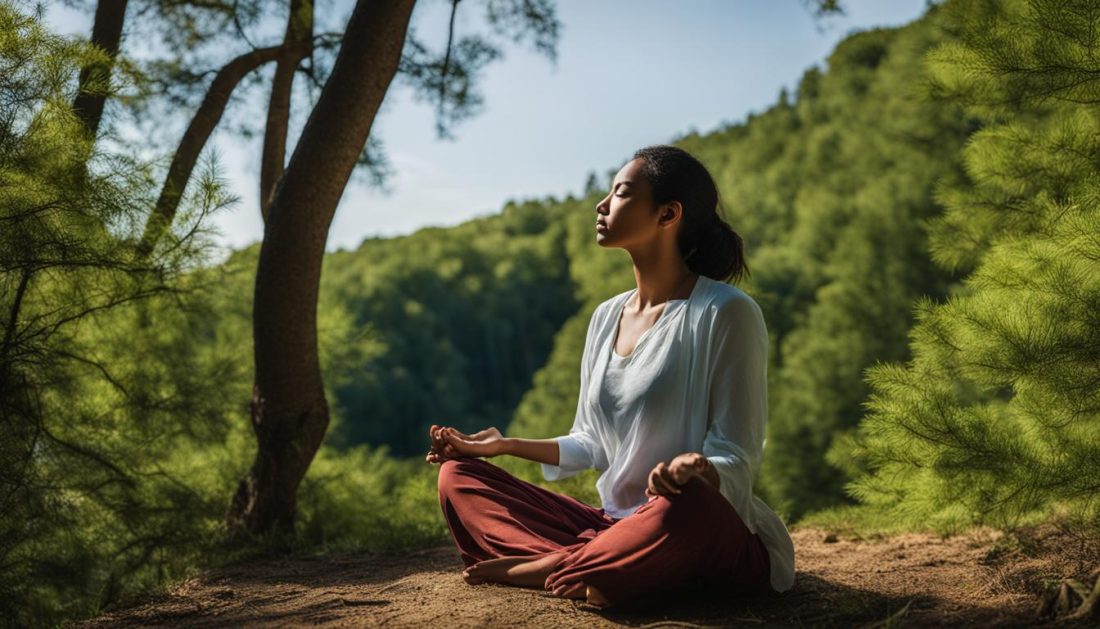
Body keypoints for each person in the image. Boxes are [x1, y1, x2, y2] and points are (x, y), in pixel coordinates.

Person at [427, 144, 795, 609]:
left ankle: (554, 566)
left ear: (668, 214)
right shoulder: (606, 317)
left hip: (694, 526)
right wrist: (503, 447)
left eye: (620, 193)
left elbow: (737, 455)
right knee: (459, 476)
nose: (601, 206)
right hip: (619, 528)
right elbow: (591, 442)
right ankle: (597, 566)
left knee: (689, 505)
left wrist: (699, 470)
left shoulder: (726, 312)